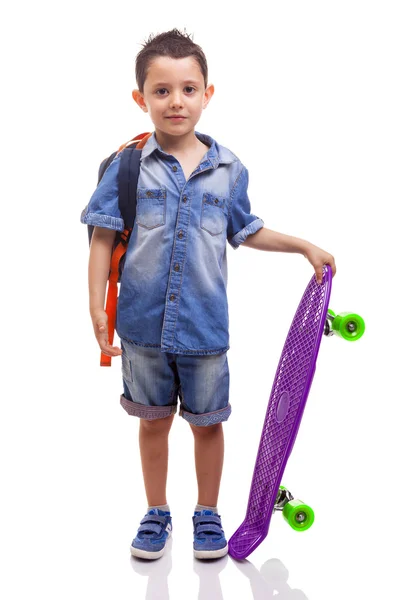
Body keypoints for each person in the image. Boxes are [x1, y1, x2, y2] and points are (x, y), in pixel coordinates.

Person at [81, 28, 336, 561]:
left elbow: (247, 231)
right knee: (152, 425)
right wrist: (95, 308)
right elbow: (103, 237)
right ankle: (155, 513)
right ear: (141, 98)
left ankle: (207, 515)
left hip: (204, 329)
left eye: (189, 89)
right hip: (143, 327)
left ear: (208, 93)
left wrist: (303, 247)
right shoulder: (129, 165)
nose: (177, 101)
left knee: (207, 427)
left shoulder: (228, 169)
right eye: (162, 90)